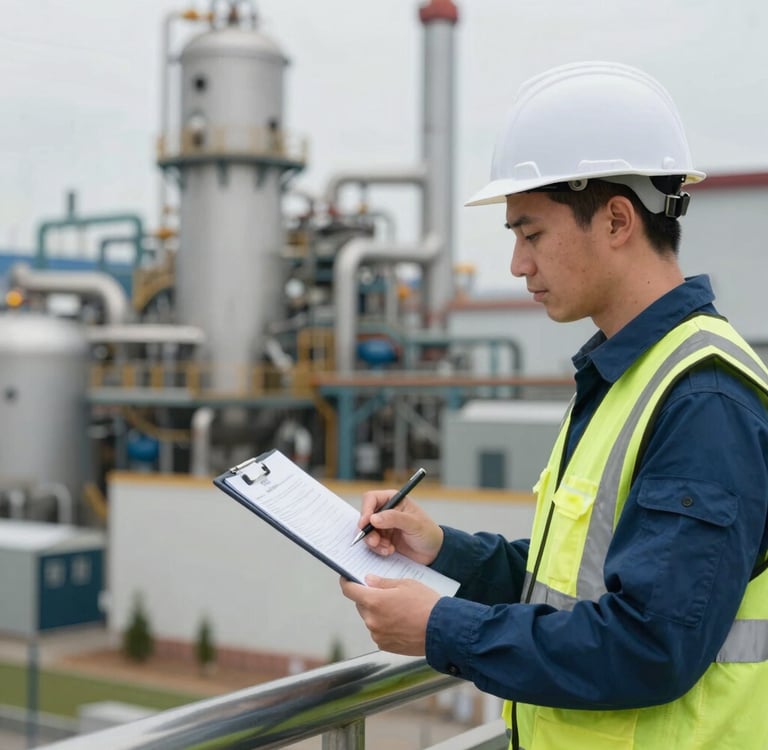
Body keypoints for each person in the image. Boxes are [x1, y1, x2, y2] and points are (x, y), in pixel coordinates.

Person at [340, 61, 768, 750]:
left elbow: (650, 644)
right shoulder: (629, 376)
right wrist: (443, 548)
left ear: (617, 220)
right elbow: (572, 588)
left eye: (530, 233)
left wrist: (439, 627)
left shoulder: (703, 401)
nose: (516, 263)